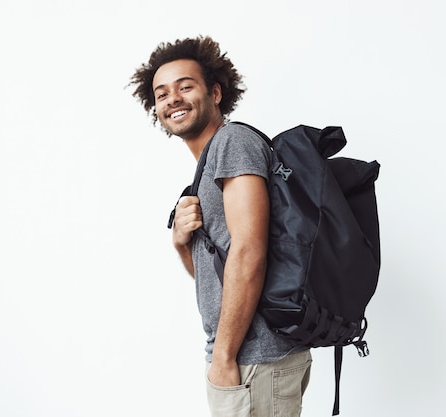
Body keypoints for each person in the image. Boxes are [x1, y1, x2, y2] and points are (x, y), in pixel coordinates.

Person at [129, 36, 312, 417]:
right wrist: (182, 244)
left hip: (253, 359)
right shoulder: (210, 162)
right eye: (161, 94)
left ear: (215, 92)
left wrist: (225, 356)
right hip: (243, 358)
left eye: (185, 86)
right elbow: (217, 277)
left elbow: (249, 250)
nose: (172, 99)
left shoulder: (233, 142)